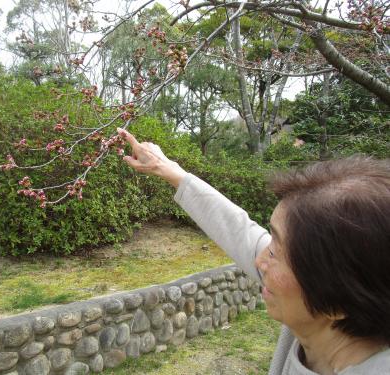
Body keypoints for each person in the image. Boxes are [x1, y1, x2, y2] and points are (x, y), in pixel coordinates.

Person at [117, 128, 390, 375]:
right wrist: (170, 170)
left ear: (339, 300)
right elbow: (239, 230)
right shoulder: (317, 316)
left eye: (275, 253)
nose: (259, 260)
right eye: (270, 241)